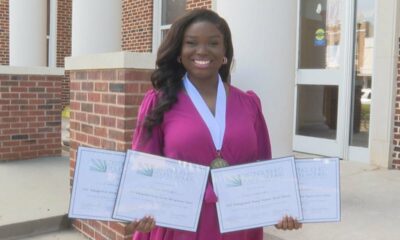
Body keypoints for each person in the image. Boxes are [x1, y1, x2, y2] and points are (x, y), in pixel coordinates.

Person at [127, 8, 302, 240]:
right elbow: (143, 168)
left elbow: (262, 168)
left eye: (213, 43)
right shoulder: (159, 103)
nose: (202, 50)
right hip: (180, 228)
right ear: (179, 52)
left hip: (237, 228)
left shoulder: (249, 104)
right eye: (191, 43)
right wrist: (139, 211)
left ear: (224, 53)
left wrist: (279, 209)